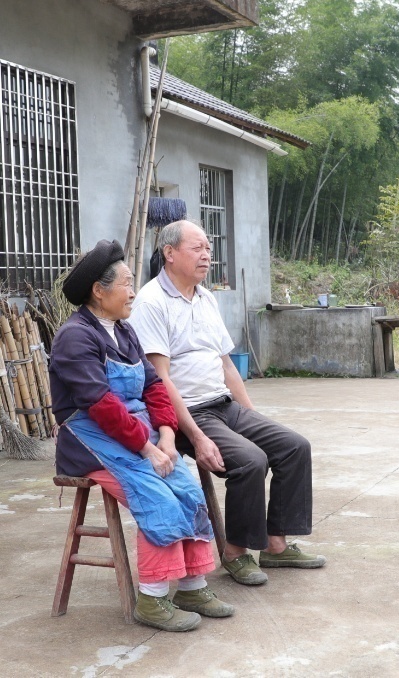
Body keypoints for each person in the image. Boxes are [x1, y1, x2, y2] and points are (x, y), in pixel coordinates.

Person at [50, 239, 234, 632]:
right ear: (99, 291)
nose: (134, 292)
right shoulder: (75, 337)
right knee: (157, 495)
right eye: (127, 284)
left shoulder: (124, 331)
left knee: (187, 488)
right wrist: (149, 448)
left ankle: (192, 586)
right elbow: (99, 405)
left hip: (140, 435)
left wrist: (167, 436)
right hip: (92, 441)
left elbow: (153, 386)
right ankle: (151, 600)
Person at [128, 221, 325, 586]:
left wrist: (250, 414)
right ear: (170, 254)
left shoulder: (206, 297)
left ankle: (276, 546)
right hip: (185, 414)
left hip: (223, 406)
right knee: (250, 460)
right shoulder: (151, 303)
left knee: (293, 447)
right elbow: (160, 381)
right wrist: (198, 438)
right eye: (197, 248)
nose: (207, 255)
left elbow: (225, 363)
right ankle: (235, 552)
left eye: (209, 249)